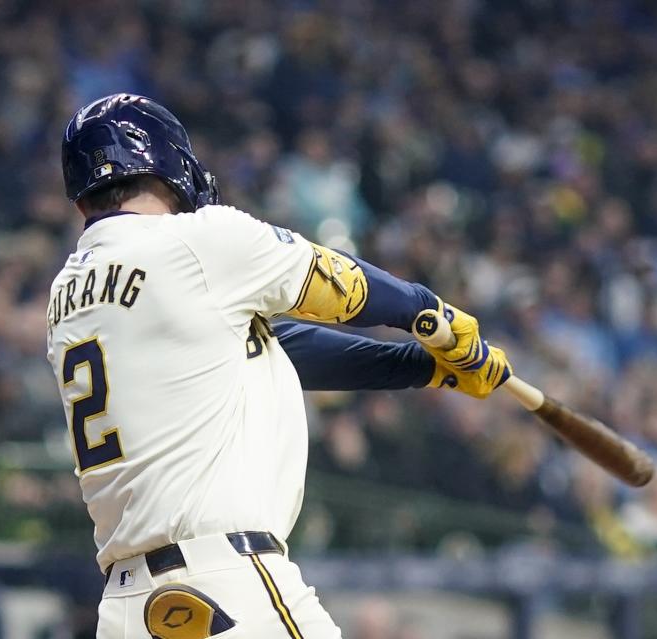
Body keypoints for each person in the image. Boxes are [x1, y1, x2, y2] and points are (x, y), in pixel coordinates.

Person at [48, 94, 512, 639]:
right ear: (170, 163)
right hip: (228, 586)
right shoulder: (198, 241)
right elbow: (340, 285)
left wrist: (423, 367)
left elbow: (273, 347)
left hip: (127, 608)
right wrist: (430, 313)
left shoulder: (66, 293)